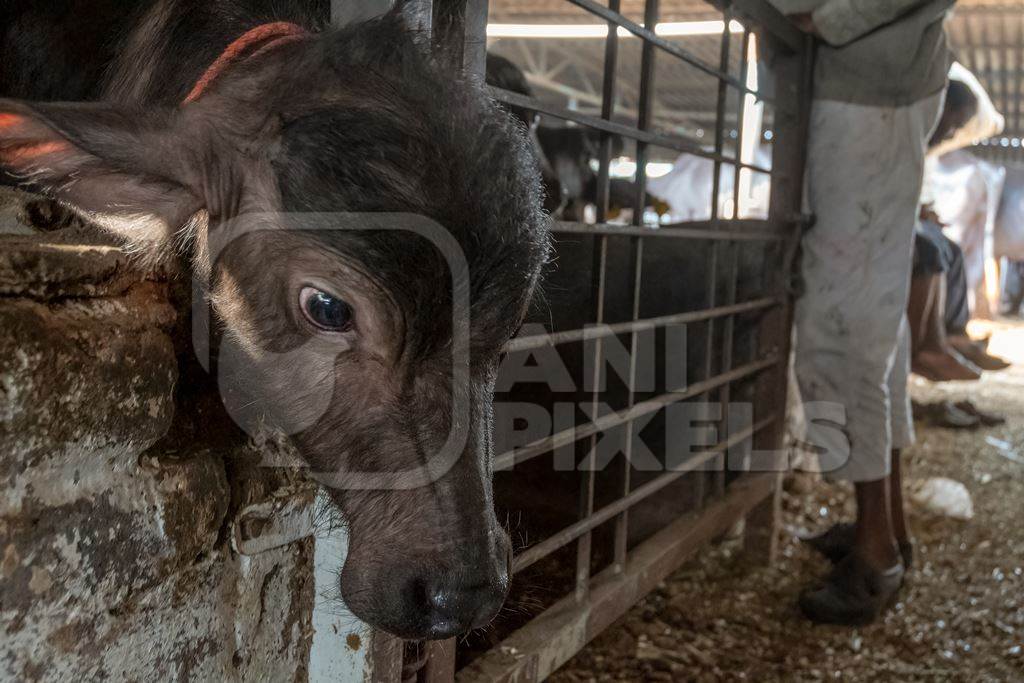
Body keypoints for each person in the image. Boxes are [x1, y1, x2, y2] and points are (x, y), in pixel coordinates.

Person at [773, 0, 955, 625]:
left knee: (839, 323)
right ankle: (885, 527)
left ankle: (878, 558)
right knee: (871, 315)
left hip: (866, 77)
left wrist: (834, 18)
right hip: (868, 77)